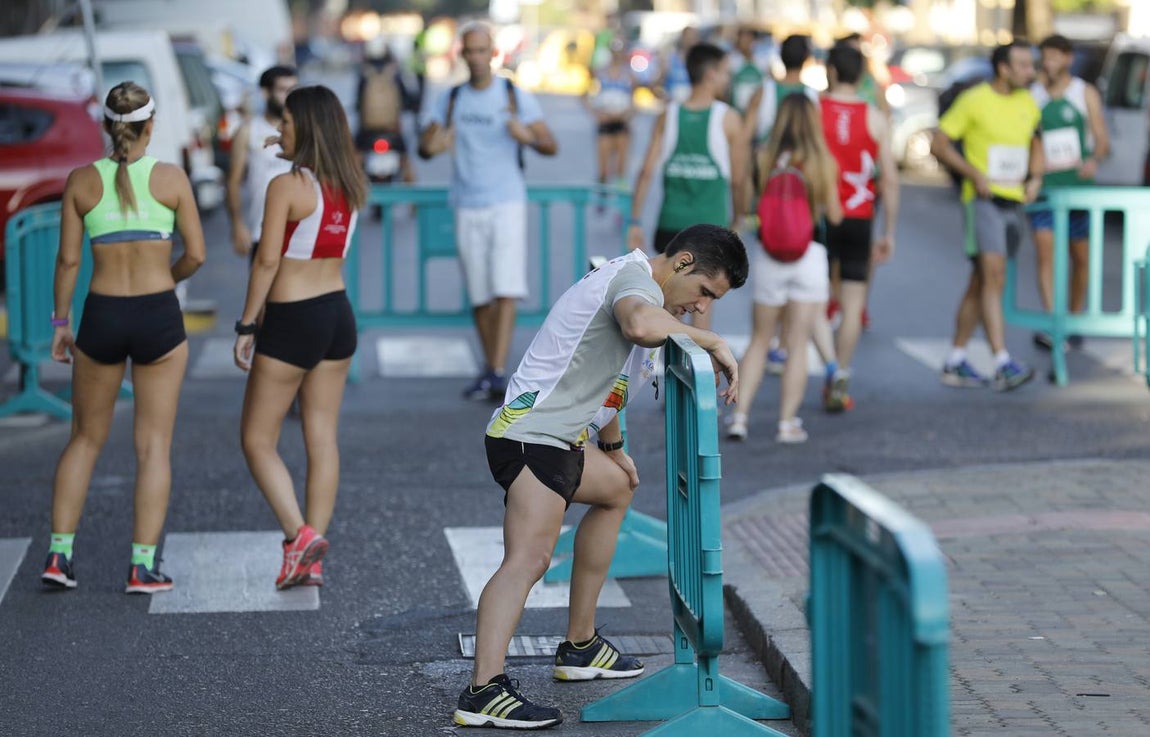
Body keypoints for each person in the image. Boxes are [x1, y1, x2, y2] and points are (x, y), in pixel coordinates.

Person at [453, 224, 748, 729]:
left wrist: (613, 448)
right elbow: (636, 326)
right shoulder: (636, 287)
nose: (700, 307)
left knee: (617, 488)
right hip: (535, 436)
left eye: (711, 302)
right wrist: (711, 340)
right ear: (682, 263)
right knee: (528, 560)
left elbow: (607, 369)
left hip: (559, 436)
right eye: (704, 292)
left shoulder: (633, 278)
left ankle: (581, 646)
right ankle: (483, 691)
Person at [41, 81, 206, 593]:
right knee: (153, 446)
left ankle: (59, 557)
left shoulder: (82, 181)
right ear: (150, 125)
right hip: (157, 314)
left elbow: (69, 261)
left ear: (107, 126)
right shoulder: (172, 178)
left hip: (102, 315)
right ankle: (141, 566)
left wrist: (60, 323)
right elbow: (197, 254)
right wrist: (166, 280)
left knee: (85, 439)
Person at [233, 85, 366, 590]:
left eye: (286, 121)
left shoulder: (285, 185)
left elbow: (267, 260)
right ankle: (310, 556)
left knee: (256, 438)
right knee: (322, 436)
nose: (278, 128)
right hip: (337, 315)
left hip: (292, 317)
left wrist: (247, 324)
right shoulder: (348, 183)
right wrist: (291, 154)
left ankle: (298, 535)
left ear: (304, 127)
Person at [418, 22, 558, 401]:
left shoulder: (513, 95)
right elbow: (424, 147)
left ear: (493, 54)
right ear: (462, 55)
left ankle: (496, 371)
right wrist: (434, 143)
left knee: (506, 289)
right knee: (480, 294)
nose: (477, 57)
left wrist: (527, 137)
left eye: (483, 50)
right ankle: (492, 368)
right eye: (470, 51)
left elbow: (550, 144)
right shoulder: (449, 100)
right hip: (466, 203)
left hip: (506, 201)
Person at [727, 95, 842, 443]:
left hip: (770, 256)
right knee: (796, 344)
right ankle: (786, 423)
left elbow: (747, 204)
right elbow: (835, 215)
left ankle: (740, 417)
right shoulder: (821, 160)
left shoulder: (763, 157)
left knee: (760, 340)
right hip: (808, 256)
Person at [931, 42, 1043, 392]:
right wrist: (972, 174)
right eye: (1023, 65)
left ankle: (955, 359)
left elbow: (1036, 141)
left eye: (1031, 65)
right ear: (1003, 69)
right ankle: (1001, 361)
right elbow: (939, 142)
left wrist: (1036, 178)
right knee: (994, 275)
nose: (1030, 71)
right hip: (983, 201)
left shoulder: (1028, 101)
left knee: (983, 282)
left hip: (1014, 202)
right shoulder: (974, 100)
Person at [629, 41, 745, 332]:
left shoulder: (669, 114)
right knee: (700, 304)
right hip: (711, 234)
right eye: (724, 73)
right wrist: (739, 217)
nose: (727, 80)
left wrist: (634, 220)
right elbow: (739, 179)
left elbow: (645, 171)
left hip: (672, 231)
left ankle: (654, 367)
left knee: (666, 298)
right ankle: (694, 374)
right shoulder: (729, 119)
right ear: (711, 74)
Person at [819, 44, 899, 411]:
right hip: (859, 217)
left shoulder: (813, 109)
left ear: (831, 70)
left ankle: (824, 365)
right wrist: (889, 232)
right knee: (853, 303)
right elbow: (890, 180)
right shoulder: (875, 117)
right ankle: (842, 372)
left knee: (810, 301)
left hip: (818, 217)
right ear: (863, 75)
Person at [743, 34, 820, 373]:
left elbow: (744, 139)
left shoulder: (765, 92)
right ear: (806, 60)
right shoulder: (813, 98)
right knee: (798, 265)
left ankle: (770, 338)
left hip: (769, 193)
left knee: (771, 263)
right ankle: (786, 343)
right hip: (804, 196)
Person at [1028, 34, 1109, 351]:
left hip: (1078, 189)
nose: (1048, 63)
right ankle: (1054, 322)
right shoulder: (1034, 94)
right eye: (1044, 56)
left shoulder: (1083, 92)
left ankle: (1073, 318)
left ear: (1067, 59)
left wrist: (1094, 159)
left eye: (1054, 57)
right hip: (1046, 187)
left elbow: (1101, 138)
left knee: (1080, 257)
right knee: (1045, 253)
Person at [227, 65, 298, 261]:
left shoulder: (305, 130)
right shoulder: (248, 130)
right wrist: (237, 224)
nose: (290, 97)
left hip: (299, 233)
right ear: (265, 93)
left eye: (294, 90)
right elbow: (233, 181)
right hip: (262, 232)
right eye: (284, 90)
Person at [355, 37, 415, 185]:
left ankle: (350, 199)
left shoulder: (364, 73)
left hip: (367, 131)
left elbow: (358, 100)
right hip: (392, 130)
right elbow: (406, 98)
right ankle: (415, 204)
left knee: (354, 161)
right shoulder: (394, 73)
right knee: (406, 162)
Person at [584, 38, 636, 197]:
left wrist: (628, 114)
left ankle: (620, 207)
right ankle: (602, 197)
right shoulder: (600, 73)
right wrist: (596, 114)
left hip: (621, 124)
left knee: (621, 169)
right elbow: (584, 95)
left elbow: (634, 102)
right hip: (605, 124)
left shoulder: (629, 75)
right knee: (604, 170)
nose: (617, 55)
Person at [659, 26, 698, 104]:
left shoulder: (699, 62)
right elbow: (658, 83)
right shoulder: (670, 59)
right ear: (682, 37)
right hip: (673, 104)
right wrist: (664, 96)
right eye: (688, 37)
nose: (690, 40)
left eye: (692, 37)